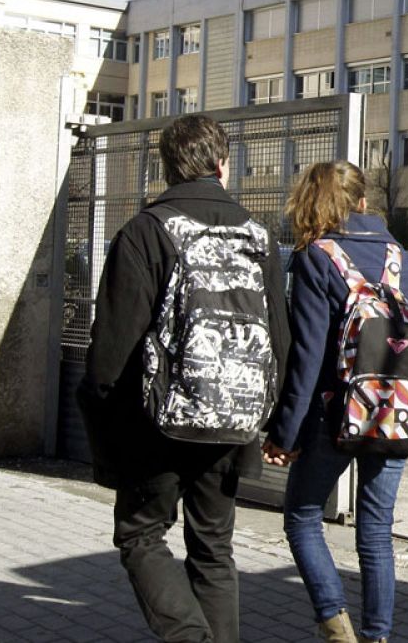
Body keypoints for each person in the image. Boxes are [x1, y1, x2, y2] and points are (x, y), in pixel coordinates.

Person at [80, 114, 290, 643]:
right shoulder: (258, 236)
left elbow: (111, 350)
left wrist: (105, 424)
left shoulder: (147, 231)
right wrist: (269, 416)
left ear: (167, 167)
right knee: (214, 549)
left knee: (141, 534)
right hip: (234, 417)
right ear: (223, 164)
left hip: (157, 423)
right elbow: (280, 339)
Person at [263, 161, 408, 643]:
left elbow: (308, 357)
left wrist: (285, 434)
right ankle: (378, 636)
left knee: (303, 517)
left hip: (333, 416)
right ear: (363, 203)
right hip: (395, 411)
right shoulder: (398, 254)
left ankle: (336, 628)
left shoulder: (317, 256)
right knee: (376, 532)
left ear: (311, 202)